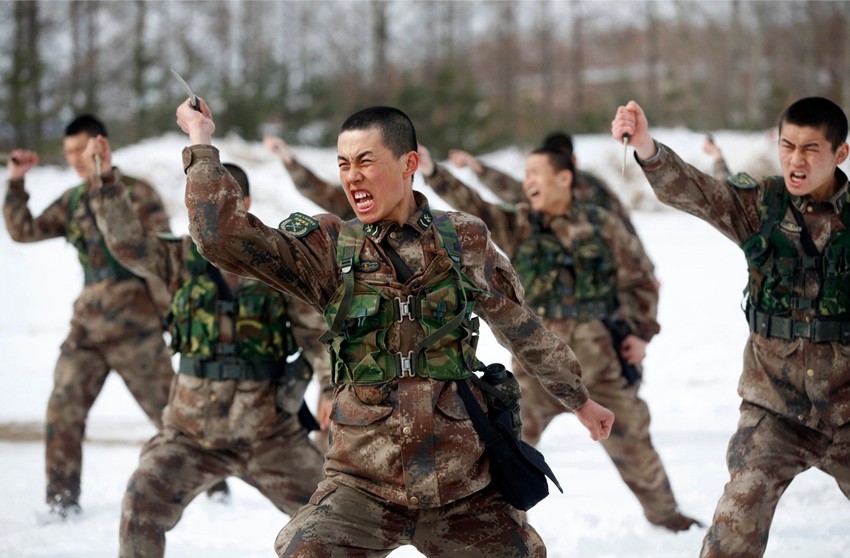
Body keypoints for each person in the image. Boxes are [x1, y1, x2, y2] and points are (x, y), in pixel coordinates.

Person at [177, 100, 615, 557]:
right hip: (361, 486)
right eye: (344, 164)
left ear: (409, 164)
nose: (352, 176)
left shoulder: (463, 240)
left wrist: (578, 398)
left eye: (366, 160)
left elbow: (520, 326)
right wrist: (201, 142)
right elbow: (221, 237)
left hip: (463, 487)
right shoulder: (328, 246)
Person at [612, 96, 850, 557]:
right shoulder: (762, 205)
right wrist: (646, 146)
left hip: (848, 409)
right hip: (775, 411)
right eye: (788, 146)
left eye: (811, 149)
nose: (796, 160)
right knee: (731, 535)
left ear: (840, 154)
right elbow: (697, 192)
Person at [419, 144, 699, 532]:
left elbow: (641, 279)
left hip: (601, 359)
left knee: (634, 442)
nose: (528, 181)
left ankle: (669, 519)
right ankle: (501, 534)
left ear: (564, 178)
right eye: (526, 173)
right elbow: (476, 205)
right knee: (504, 448)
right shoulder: (518, 223)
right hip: (537, 364)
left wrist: (642, 333)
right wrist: (434, 170)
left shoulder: (602, 224)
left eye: (536, 173)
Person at [87, 155, 328, 557]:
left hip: (268, 433)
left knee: (331, 516)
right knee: (142, 498)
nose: (209, 211)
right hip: (190, 433)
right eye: (202, 202)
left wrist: (331, 389)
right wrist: (109, 186)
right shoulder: (178, 257)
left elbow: (316, 337)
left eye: (223, 201)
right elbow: (128, 245)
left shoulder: (278, 263)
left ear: (244, 205)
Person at [3, 115, 175, 518]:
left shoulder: (137, 192)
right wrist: (15, 182)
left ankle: (212, 485)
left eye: (82, 149)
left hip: (137, 328)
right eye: (68, 153)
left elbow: (164, 259)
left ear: (102, 145)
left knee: (173, 417)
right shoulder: (73, 201)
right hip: (87, 329)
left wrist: (171, 317)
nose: (76, 159)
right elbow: (24, 230)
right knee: (62, 411)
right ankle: (62, 501)